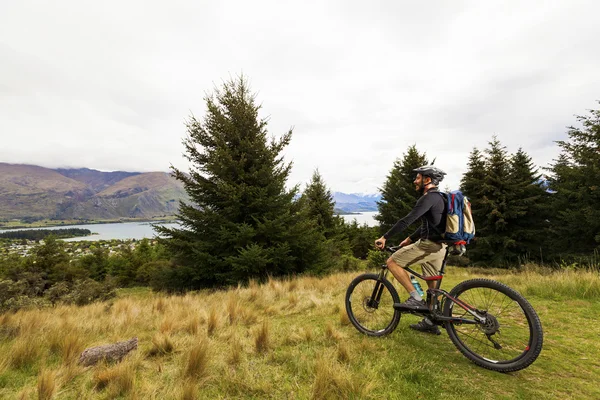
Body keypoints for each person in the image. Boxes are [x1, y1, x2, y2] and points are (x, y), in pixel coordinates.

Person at [375, 165, 447, 335]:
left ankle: (415, 298)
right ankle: (431, 321)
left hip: (428, 245)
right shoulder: (441, 198)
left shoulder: (427, 198)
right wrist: (409, 239)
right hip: (441, 246)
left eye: (418, 178)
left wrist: (384, 237)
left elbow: (407, 220)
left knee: (392, 262)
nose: (415, 181)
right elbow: (431, 225)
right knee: (432, 284)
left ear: (427, 180)